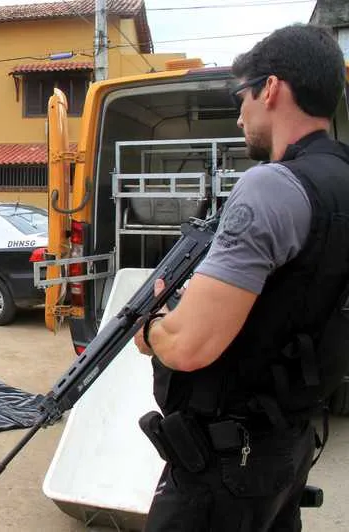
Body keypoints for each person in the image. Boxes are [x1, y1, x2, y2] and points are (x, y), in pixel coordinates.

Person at [133, 24, 349, 531]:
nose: (239, 114)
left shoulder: (269, 187)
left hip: (226, 467)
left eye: (241, 95)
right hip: (290, 445)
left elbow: (188, 347)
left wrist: (150, 327)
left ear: (270, 88)